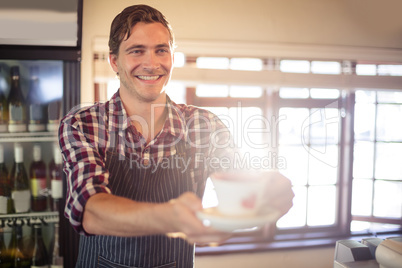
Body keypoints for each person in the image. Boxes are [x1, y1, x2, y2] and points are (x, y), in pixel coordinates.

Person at [59, 4, 294, 268]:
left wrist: (268, 192)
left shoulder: (204, 126)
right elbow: (90, 210)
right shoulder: (84, 124)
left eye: (161, 50)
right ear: (114, 61)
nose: (152, 63)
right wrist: (171, 217)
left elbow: (241, 189)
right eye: (137, 51)